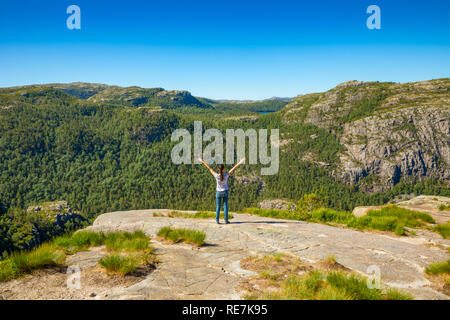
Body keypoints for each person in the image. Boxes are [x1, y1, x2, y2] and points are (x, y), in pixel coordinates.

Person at [199, 157, 245, 224]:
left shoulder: (216, 176)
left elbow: (209, 168)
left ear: (218, 169)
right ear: (223, 169)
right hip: (225, 191)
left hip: (218, 192)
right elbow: (234, 168)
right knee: (225, 206)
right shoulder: (226, 175)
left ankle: (217, 220)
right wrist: (240, 162)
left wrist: (203, 161)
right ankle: (226, 220)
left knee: (218, 206)